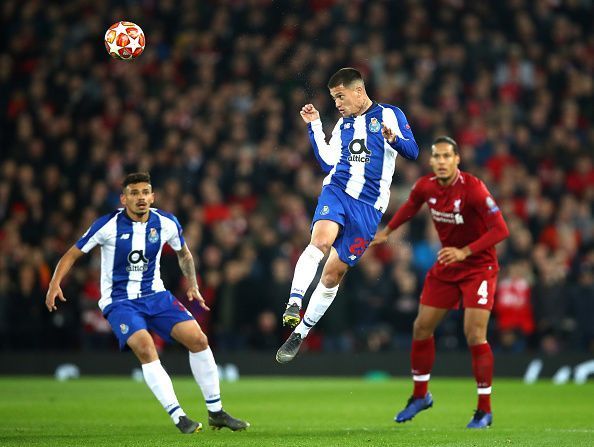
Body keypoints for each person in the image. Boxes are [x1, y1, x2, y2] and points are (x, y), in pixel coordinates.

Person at [45, 172, 249, 434]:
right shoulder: (107, 225)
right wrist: (54, 284)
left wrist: (193, 284)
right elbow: (72, 254)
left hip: (156, 296)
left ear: (152, 196)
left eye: (145, 193)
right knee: (145, 345)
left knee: (198, 340)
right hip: (120, 301)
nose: (140, 198)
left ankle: (216, 412)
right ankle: (179, 416)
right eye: (134, 193)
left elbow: (184, 254)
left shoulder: (166, 222)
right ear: (123, 198)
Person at [276, 67, 419, 363]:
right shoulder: (343, 126)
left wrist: (394, 140)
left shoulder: (390, 115)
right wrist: (314, 125)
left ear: (358, 91)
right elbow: (329, 162)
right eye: (334, 98)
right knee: (321, 242)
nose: (338, 104)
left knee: (333, 274)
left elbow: (414, 151)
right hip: (338, 190)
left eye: (340, 97)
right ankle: (293, 302)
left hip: (369, 208)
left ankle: (300, 332)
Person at [372, 136, 510, 429]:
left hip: (478, 267)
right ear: (431, 161)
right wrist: (388, 231)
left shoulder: (473, 188)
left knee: (474, 334)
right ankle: (420, 395)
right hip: (448, 266)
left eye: (448, 156)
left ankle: (484, 410)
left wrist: (465, 251)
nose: (442, 161)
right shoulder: (426, 186)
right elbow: (411, 205)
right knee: (421, 327)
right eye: (437, 156)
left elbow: (500, 229)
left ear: (457, 159)